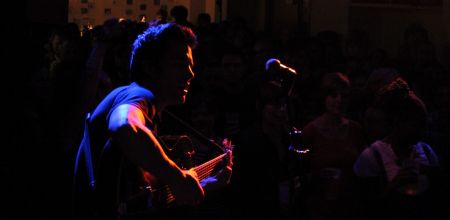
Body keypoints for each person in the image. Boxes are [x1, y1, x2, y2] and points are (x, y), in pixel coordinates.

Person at [72, 23, 232, 220]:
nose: (191, 74)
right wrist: (177, 177)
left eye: (191, 65)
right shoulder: (139, 95)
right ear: (149, 67)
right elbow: (123, 125)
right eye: (179, 63)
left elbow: (144, 200)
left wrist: (201, 183)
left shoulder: (147, 108)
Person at [353, 78, 444, 220]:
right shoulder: (372, 156)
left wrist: (434, 174)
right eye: (417, 125)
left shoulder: (427, 151)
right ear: (397, 122)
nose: (422, 130)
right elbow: (363, 207)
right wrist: (394, 185)